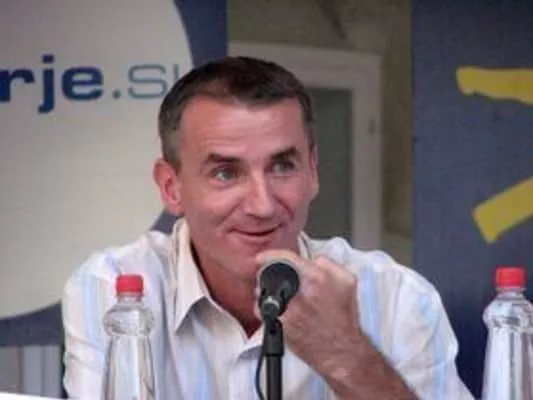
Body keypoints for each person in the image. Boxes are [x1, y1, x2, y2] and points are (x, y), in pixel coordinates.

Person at [62, 56, 474, 399]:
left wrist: (347, 357)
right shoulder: (112, 288)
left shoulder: (399, 298)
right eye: (226, 173)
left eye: (282, 166)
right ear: (171, 187)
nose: (261, 206)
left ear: (313, 171)